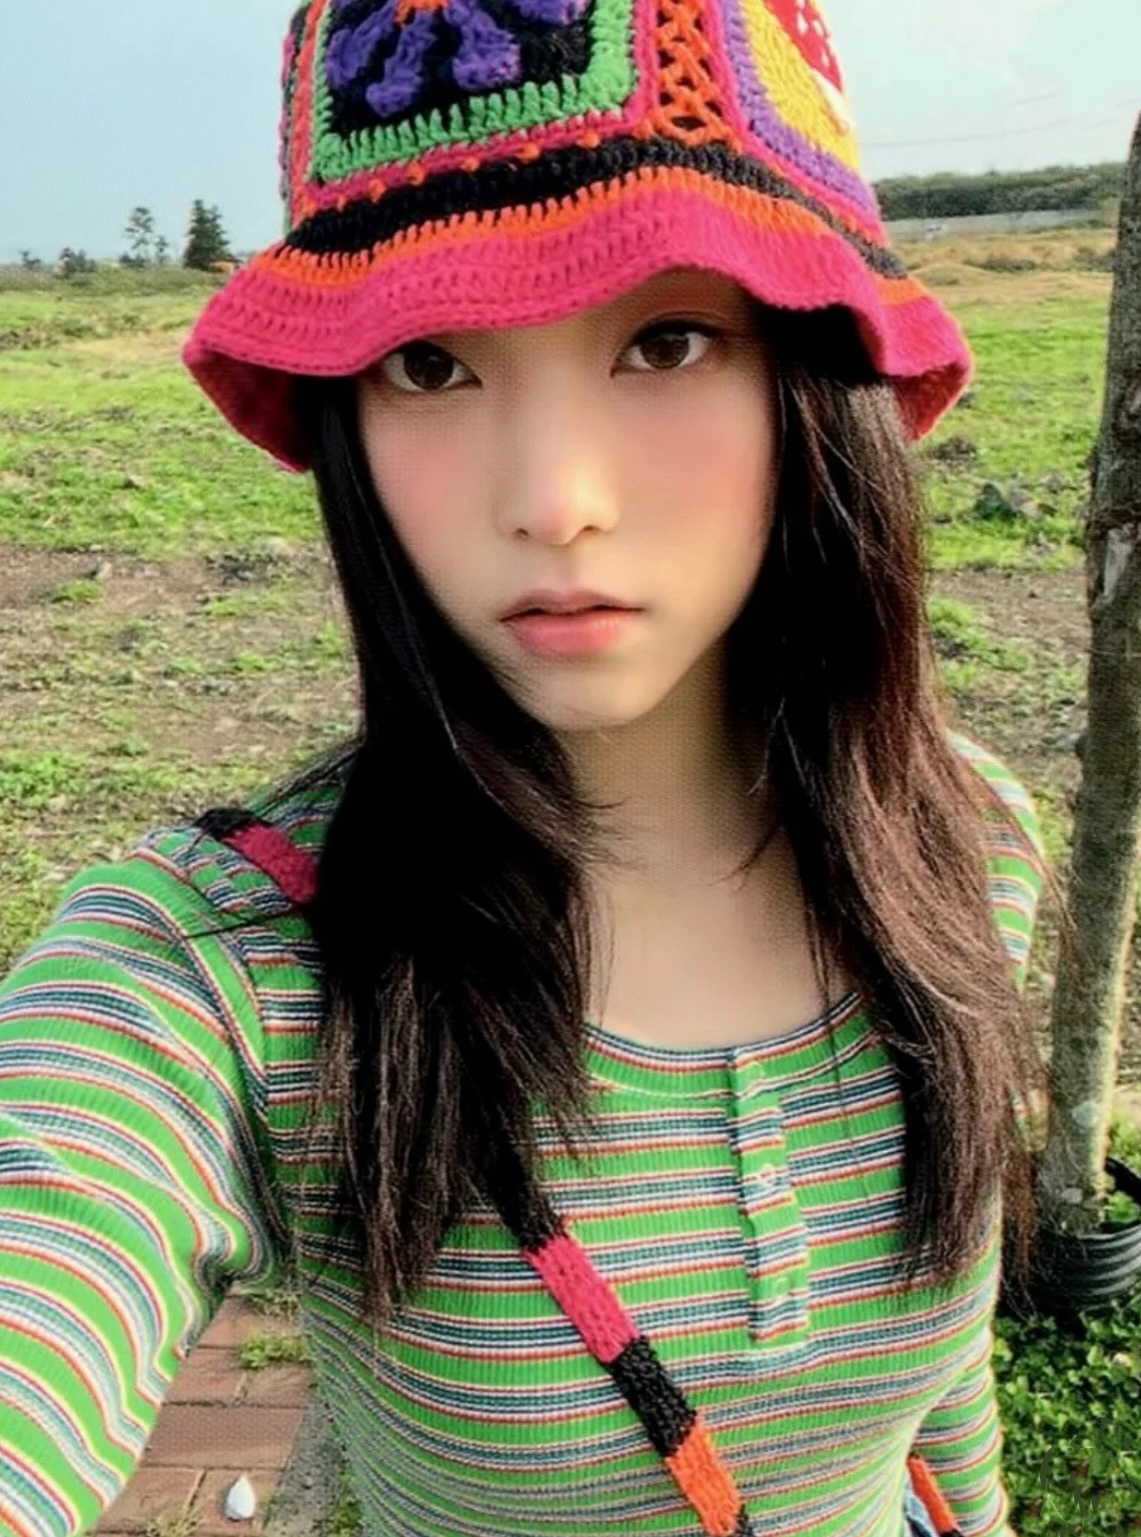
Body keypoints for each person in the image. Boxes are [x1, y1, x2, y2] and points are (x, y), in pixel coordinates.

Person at [0, 2, 1051, 1534]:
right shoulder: (225, 963)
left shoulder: (965, 840)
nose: (552, 500)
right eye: (428, 363)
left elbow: (938, 1365)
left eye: (666, 341)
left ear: (813, 375)